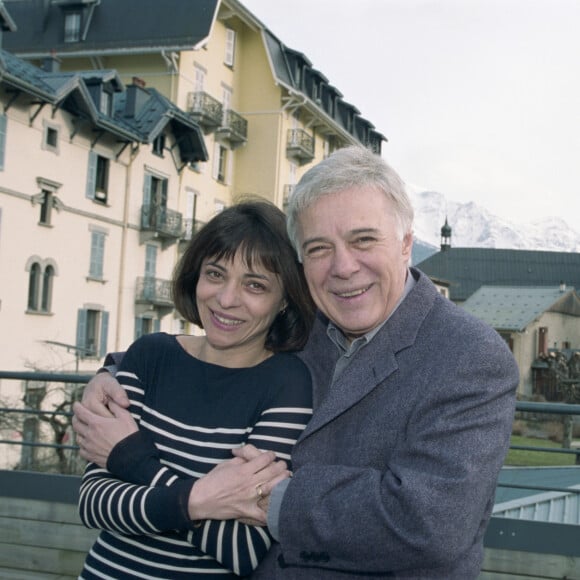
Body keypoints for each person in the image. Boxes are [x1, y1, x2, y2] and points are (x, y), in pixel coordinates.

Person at [75, 146, 519, 579]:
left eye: (363, 239)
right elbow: (216, 341)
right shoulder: (303, 326)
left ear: (406, 244)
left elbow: (429, 523)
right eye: (320, 248)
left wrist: (262, 495)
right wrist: (114, 372)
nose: (343, 267)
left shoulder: (469, 356)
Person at [72, 199, 316, 579]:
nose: (226, 298)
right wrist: (202, 499)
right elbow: (93, 503)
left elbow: (241, 549)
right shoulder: (149, 356)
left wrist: (134, 460)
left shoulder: (287, 385)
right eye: (216, 274)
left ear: (284, 300)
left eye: (255, 284)